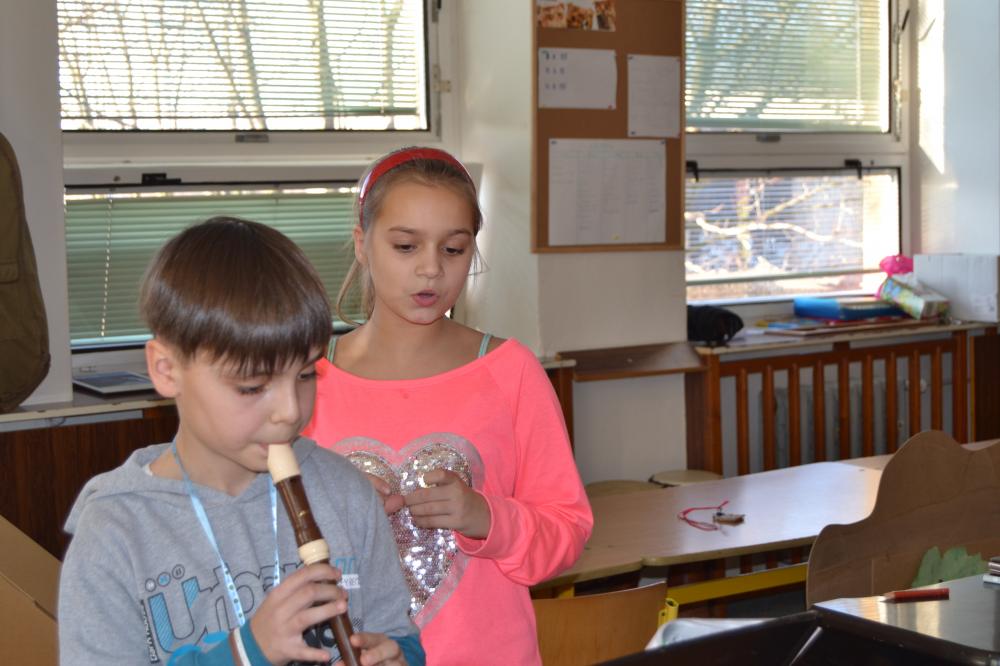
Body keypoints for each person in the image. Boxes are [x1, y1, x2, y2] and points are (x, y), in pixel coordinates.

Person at [58, 217, 424, 666]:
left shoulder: (346, 493)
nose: (289, 410)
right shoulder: (115, 530)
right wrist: (245, 653)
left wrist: (399, 657)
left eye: (305, 374)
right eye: (252, 386)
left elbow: (397, 633)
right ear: (167, 370)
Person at [305, 147, 593, 665]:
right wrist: (332, 510)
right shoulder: (309, 378)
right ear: (362, 245)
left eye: (454, 249)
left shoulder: (510, 371)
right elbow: (256, 541)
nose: (431, 269)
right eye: (406, 246)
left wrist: (487, 516)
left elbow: (566, 532)